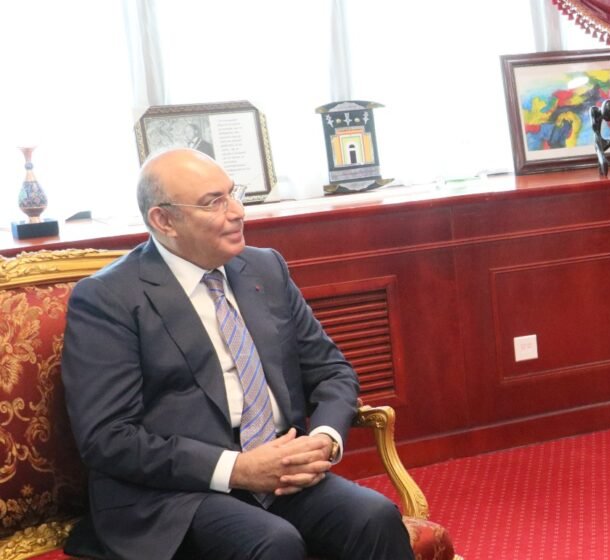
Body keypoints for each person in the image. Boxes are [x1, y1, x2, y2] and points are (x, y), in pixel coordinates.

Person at [61, 148, 414, 560]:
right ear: (164, 220)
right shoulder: (110, 298)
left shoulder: (264, 269)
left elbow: (332, 371)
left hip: (281, 473)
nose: (238, 212)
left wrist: (323, 439)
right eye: (214, 202)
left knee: (374, 517)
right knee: (272, 542)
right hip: (176, 494)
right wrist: (237, 469)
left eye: (233, 193)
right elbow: (107, 437)